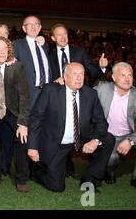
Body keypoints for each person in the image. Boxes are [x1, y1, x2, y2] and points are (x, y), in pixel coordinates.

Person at [28, 62, 115, 192]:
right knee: (57, 187)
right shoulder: (50, 90)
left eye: (81, 74)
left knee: (108, 139)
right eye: (75, 74)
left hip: (81, 137)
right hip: (57, 142)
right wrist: (32, 146)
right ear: (65, 77)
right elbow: (36, 118)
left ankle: (89, 178)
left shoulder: (90, 94)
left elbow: (101, 122)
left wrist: (95, 140)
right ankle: (37, 170)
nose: (79, 78)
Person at [48, 23, 108, 178]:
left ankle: (93, 171)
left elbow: (92, 72)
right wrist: (53, 82)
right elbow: (46, 79)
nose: (63, 37)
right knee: (62, 129)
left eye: (65, 34)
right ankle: (65, 163)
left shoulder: (79, 52)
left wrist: (101, 68)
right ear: (53, 38)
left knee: (87, 130)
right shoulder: (49, 55)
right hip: (59, 100)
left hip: (79, 99)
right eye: (59, 35)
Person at [94, 62, 136, 191]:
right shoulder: (101, 89)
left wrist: (131, 140)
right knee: (111, 158)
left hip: (129, 135)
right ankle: (109, 173)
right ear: (113, 77)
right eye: (123, 75)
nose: (127, 79)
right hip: (107, 136)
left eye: (130, 75)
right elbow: (84, 96)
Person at [0, 37, 30, 192]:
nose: (2, 52)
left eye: (4, 49)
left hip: (12, 111)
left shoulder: (17, 67)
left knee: (22, 139)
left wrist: (23, 123)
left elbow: (24, 96)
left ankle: (22, 179)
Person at [13, 15, 51, 107]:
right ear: (24, 28)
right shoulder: (17, 45)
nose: (33, 26)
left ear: (40, 27)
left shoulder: (45, 46)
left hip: (47, 91)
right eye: (29, 24)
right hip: (27, 93)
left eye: (36, 24)